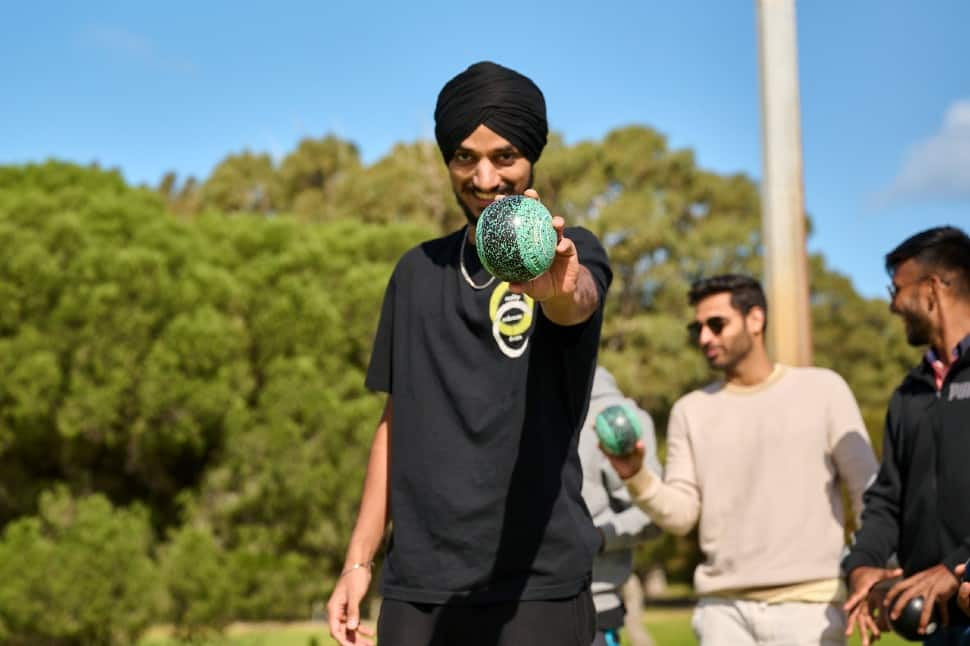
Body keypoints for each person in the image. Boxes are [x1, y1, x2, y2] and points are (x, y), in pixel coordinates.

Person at [326, 61, 612, 646]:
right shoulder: (414, 272)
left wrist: (558, 288)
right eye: (464, 157)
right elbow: (395, 422)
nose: (484, 177)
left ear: (531, 158)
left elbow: (576, 300)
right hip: (420, 591)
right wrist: (359, 561)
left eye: (504, 156)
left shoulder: (571, 254)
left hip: (538, 586)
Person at [603, 274, 879, 646]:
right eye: (697, 327)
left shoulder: (824, 390)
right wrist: (636, 476)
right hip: (722, 615)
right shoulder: (691, 410)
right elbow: (683, 515)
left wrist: (872, 570)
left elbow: (869, 493)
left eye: (717, 324)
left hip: (810, 610)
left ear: (755, 319)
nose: (705, 338)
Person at [842, 226, 970, 646]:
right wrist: (862, 565)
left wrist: (956, 567)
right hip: (939, 627)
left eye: (897, 288)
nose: (893, 304)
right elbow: (887, 498)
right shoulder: (908, 394)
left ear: (933, 288)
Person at [579, 366, 662, 646]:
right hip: (517, 606)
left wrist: (599, 537)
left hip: (593, 610)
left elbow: (654, 514)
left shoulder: (615, 414)